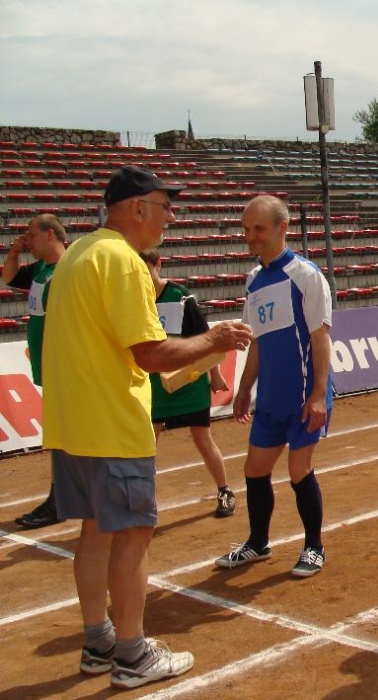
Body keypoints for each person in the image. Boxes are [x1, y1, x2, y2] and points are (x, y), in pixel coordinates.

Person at [41, 165, 254, 690]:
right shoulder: (123, 261)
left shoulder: (77, 254)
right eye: (164, 206)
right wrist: (216, 339)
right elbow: (152, 353)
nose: (170, 217)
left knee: (94, 532)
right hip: (112, 422)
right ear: (137, 208)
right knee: (133, 535)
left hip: (73, 422)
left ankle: (98, 643)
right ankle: (132, 654)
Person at [214, 194, 333, 579]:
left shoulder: (306, 275)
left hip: (303, 396)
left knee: (299, 470)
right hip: (270, 398)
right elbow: (257, 342)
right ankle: (258, 543)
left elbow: (320, 338)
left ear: (283, 228)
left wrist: (318, 395)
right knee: (255, 469)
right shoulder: (253, 281)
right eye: (246, 229)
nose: (251, 236)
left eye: (259, 229)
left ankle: (314, 547)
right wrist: (244, 388)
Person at [139, 248, 236, 518]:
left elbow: (206, 340)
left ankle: (224, 490)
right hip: (154, 386)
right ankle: (144, 503)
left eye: (145, 268)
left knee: (202, 437)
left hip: (190, 382)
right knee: (147, 444)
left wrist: (215, 375)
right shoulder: (135, 300)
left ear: (158, 264)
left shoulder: (180, 297)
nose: (141, 275)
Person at [3, 214, 67, 529]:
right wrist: (14, 252)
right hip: (50, 366)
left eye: (31, 235)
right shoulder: (42, 269)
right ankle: (64, 496)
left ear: (50, 234)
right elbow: (10, 277)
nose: (27, 240)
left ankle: (61, 498)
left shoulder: (68, 270)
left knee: (63, 433)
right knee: (61, 432)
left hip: (65, 366)